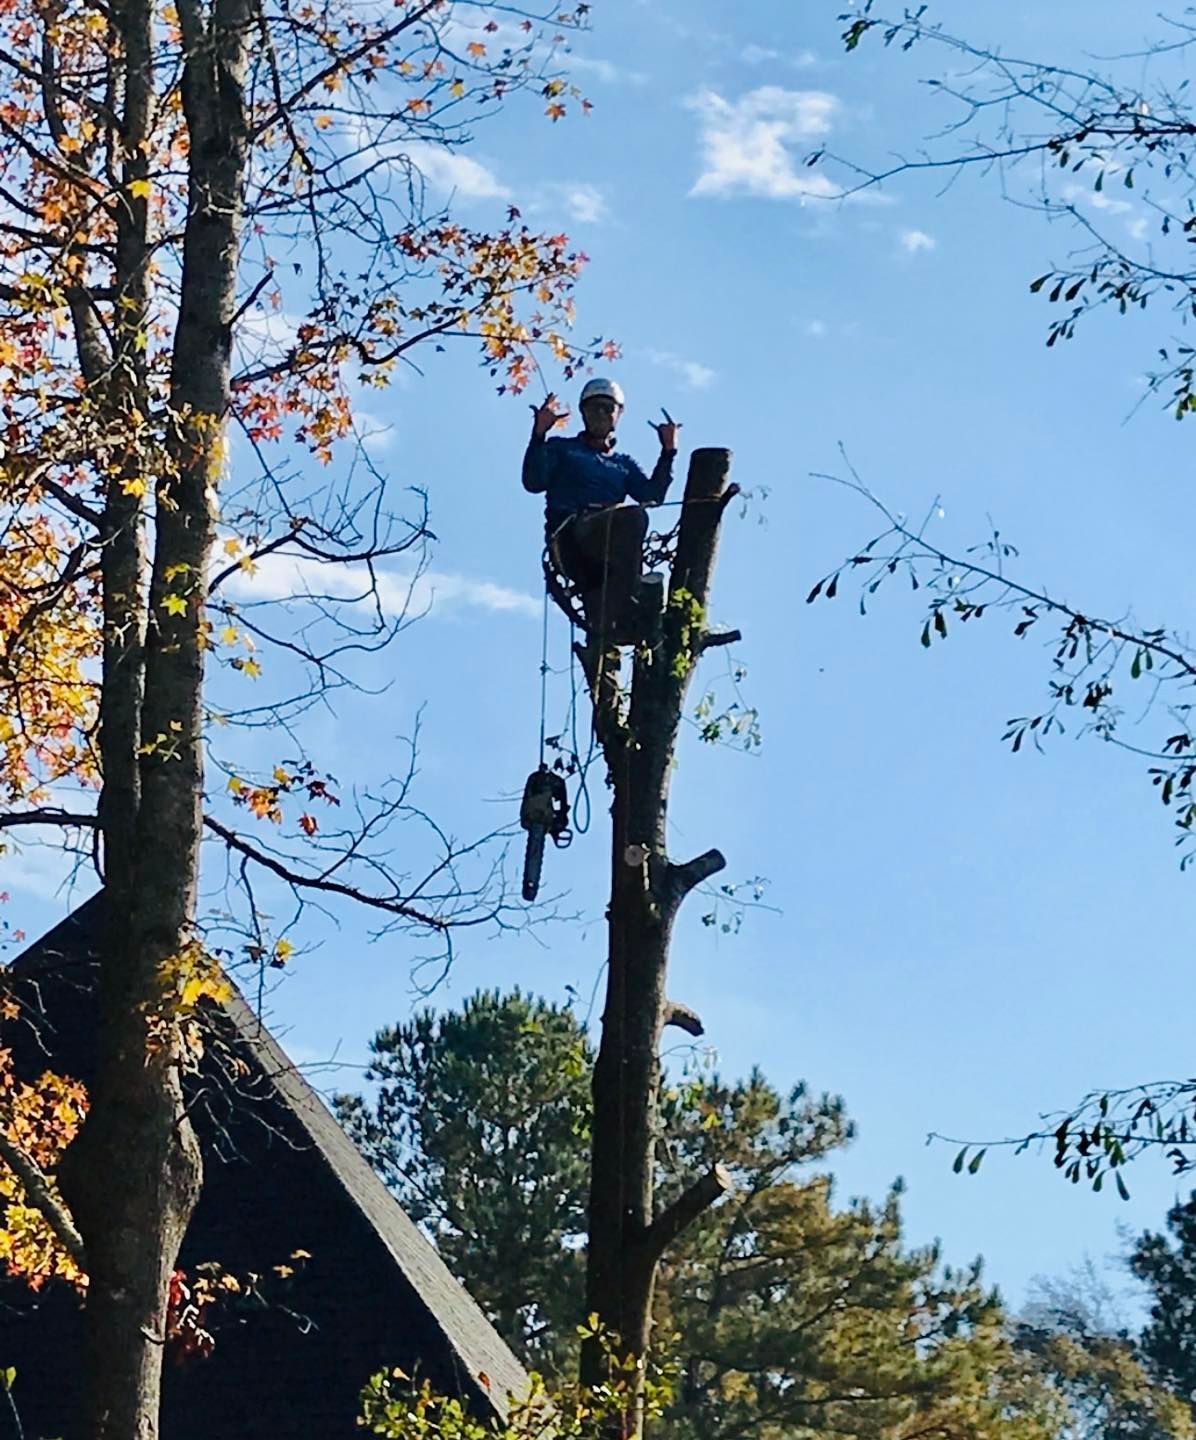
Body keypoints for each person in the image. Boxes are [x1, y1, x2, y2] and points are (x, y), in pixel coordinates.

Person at [522, 378, 680, 644]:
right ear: (583, 413)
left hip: (607, 552)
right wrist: (538, 436)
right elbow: (533, 482)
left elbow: (652, 497)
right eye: (594, 408)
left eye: (608, 408)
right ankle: (632, 604)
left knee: (604, 615)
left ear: (618, 414)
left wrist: (668, 453)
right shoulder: (563, 449)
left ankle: (614, 628)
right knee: (632, 517)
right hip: (572, 537)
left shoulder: (622, 465)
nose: (601, 414)